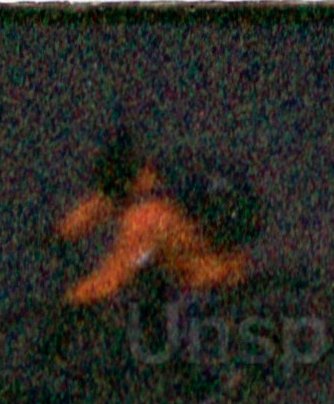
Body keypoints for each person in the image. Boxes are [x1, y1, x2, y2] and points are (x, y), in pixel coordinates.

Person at [52, 130, 262, 311]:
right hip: (220, 261)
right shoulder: (150, 179)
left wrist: (72, 299)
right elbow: (99, 206)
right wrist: (60, 232)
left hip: (209, 283)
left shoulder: (145, 219)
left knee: (149, 299)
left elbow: (112, 278)